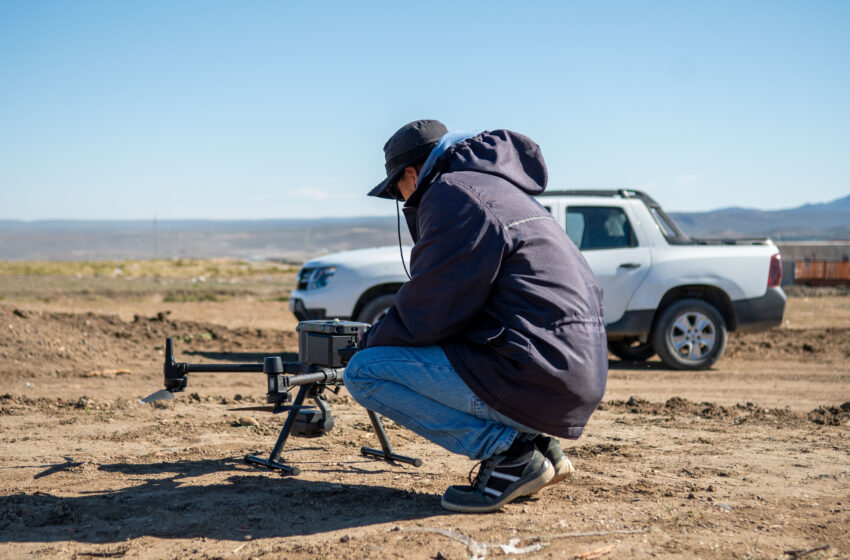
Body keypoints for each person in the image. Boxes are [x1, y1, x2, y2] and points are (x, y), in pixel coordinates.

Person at [343, 119, 607, 513]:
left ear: (412, 174)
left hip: (537, 372)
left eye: (397, 191)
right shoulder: (498, 188)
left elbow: (433, 307)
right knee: (451, 348)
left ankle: (510, 456)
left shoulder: (452, 193)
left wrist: (368, 341)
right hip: (568, 372)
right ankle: (538, 446)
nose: (402, 201)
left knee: (364, 371)